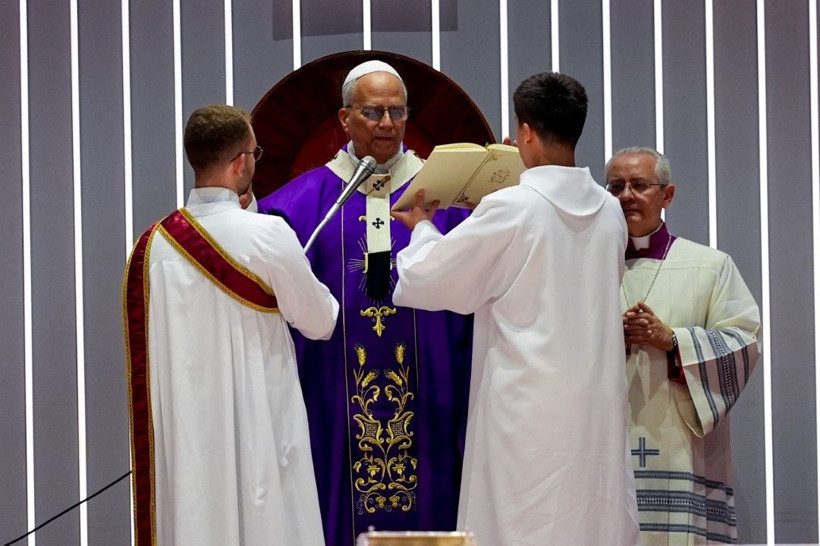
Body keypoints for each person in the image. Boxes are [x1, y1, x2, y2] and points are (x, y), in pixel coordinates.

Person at [391, 72, 639, 545]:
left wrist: (422, 227)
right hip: (594, 408)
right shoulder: (610, 211)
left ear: (525, 132)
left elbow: (428, 277)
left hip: (525, 409)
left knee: (522, 524)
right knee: (589, 522)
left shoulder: (513, 207)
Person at [256, 61, 473, 544]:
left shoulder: (448, 203)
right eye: (373, 112)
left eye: (397, 111)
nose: (387, 123)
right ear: (344, 118)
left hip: (429, 398)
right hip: (336, 398)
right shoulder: (298, 209)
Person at [123, 104, 339, 545]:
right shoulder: (267, 234)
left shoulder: (151, 247)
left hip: (190, 439)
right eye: (255, 153)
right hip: (259, 428)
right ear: (241, 162)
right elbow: (321, 321)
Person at [605, 147, 761, 544]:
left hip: (679, 444)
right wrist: (607, 339)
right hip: (604, 438)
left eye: (639, 185)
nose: (626, 196)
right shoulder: (589, 267)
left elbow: (743, 341)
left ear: (667, 195)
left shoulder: (711, 265)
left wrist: (674, 341)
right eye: (616, 187)